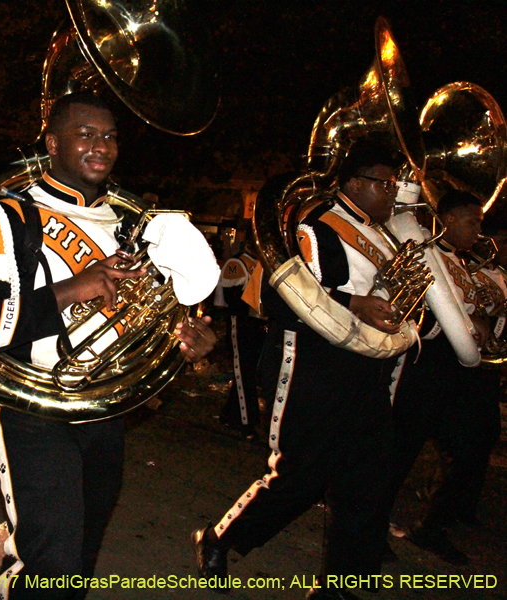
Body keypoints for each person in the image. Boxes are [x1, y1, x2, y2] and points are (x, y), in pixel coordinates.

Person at [0, 91, 218, 600]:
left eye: (111, 136)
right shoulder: (3, 215)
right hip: (30, 407)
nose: (102, 145)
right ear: (51, 143)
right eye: (86, 134)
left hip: (102, 409)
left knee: (80, 557)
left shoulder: (134, 226)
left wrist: (182, 343)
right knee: (55, 562)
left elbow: (147, 321)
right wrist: (74, 287)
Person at [193, 140, 406, 600]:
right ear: (352, 183)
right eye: (383, 183)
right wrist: (355, 304)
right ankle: (218, 539)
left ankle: (339, 586)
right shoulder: (318, 228)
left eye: (394, 184)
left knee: (367, 477)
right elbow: (277, 298)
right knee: (302, 475)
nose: (393, 192)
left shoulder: (384, 237)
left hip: (365, 367)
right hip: (311, 360)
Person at [388, 189, 501, 566]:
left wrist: (481, 320)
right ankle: (364, 531)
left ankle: (433, 527)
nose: (478, 231)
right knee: (399, 451)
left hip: (456, 371)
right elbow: (407, 307)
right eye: (472, 222)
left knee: (474, 445)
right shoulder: (425, 252)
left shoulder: (465, 262)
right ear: (448, 220)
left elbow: (472, 305)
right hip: (423, 363)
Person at [214, 233, 268, 440]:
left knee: (246, 373)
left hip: (256, 324)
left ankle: (230, 414)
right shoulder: (237, 263)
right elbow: (233, 300)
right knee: (244, 373)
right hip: (242, 322)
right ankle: (248, 422)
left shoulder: (259, 263)